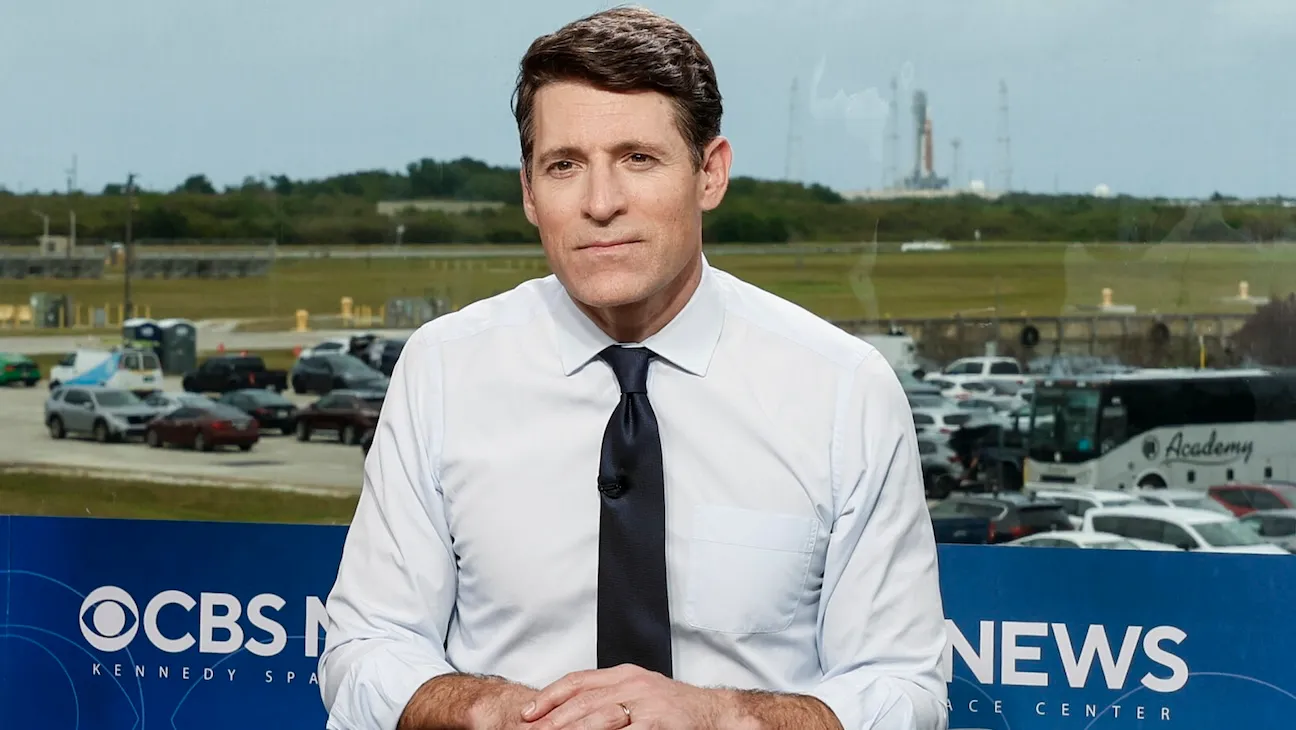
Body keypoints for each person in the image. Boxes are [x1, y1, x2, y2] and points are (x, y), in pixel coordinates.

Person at [319, 7, 948, 730]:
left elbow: (905, 690)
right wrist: (502, 712)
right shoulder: (443, 369)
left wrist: (716, 717)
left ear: (710, 174)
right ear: (529, 192)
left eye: (638, 159)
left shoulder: (843, 389)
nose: (600, 204)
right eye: (564, 165)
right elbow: (364, 650)